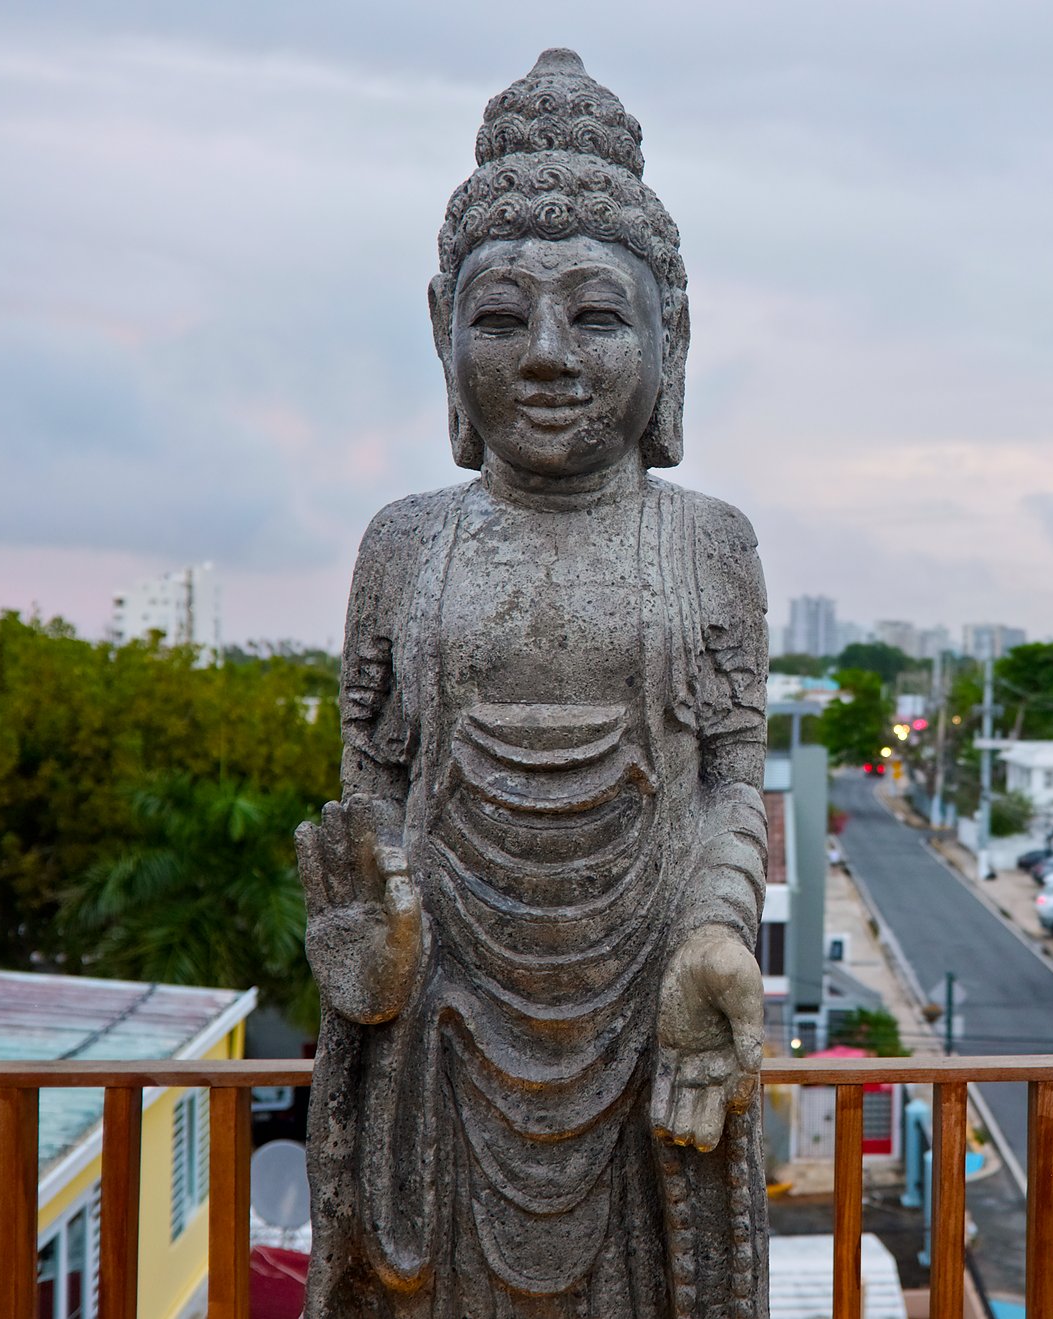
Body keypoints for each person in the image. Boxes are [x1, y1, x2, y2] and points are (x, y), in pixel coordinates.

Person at [298, 48, 771, 1317]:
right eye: (501, 317)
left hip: (648, 1017)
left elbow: (734, 776)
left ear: (670, 340)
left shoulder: (703, 541)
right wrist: (370, 943)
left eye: (598, 316)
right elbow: (374, 796)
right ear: (443, 335)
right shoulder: (405, 543)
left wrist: (718, 928)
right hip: (438, 1032)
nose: (549, 356)